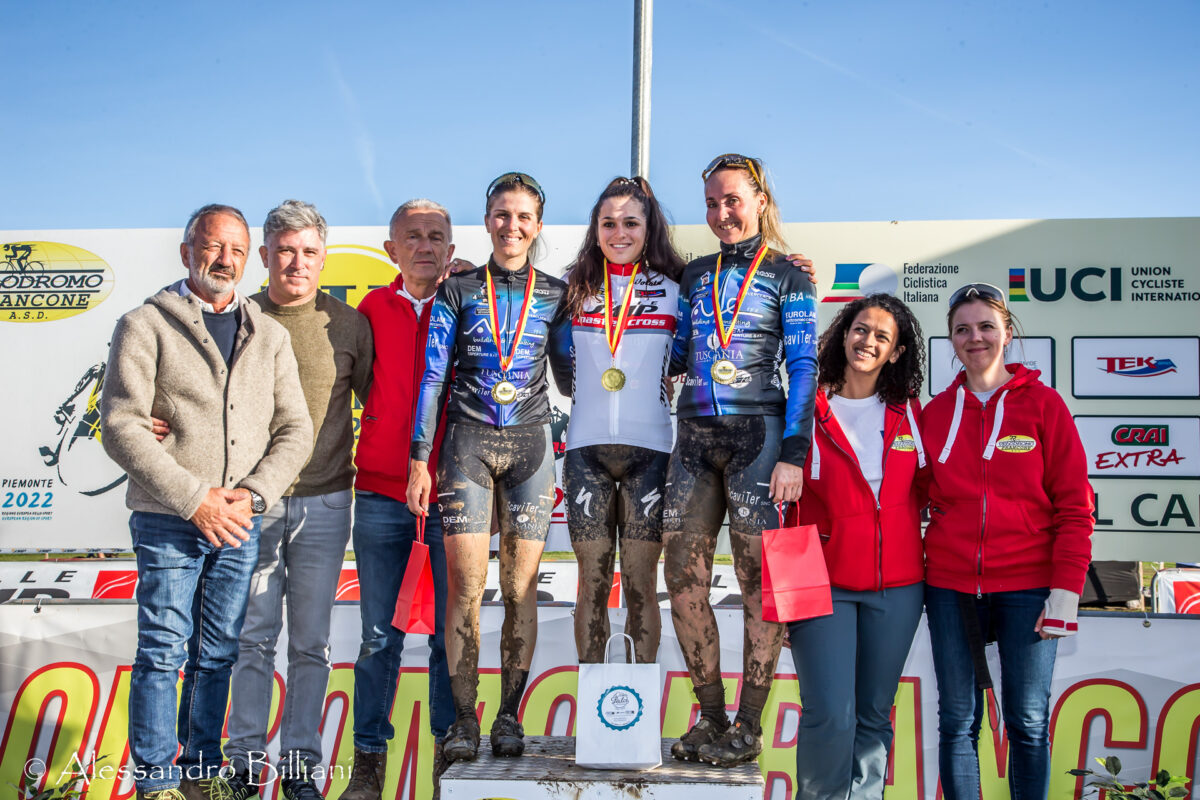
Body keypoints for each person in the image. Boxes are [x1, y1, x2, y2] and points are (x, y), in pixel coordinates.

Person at [99, 204, 313, 800]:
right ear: (187, 251)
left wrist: (250, 495)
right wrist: (196, 500)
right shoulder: (144, 325)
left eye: (237, 251)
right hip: (169, 517)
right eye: (213, 246)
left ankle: (199, 773)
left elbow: (296, 429)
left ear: (250, 259)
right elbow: (121, 426)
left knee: (218, 652)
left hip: (240, 521)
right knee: (164, 649)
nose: (225, 260)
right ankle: (157, 781)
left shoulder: (268, 335)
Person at [407, 172, 572, 763]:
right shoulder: (458, 289)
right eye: (502, 215)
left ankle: (508, 717)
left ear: (538, 225)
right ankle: (465, 720)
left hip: (531, 445)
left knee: (521, 590)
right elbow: (431, 378)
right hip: (467, 444)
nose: (512, 226)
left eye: (524, 216)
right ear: (487, 221)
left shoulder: (556, 294)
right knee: (466, 594)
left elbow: (573, 375)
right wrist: (418, 459)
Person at [213, 200, 372, 800]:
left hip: (327, 504)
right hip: (250, 506)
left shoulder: (350, 325)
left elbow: (381, 406)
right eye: (285, 251)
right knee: (251, 636)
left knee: (312, 642)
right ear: (265, 256)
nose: (296, 263)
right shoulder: (237, 316)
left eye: (308, 252)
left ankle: (303, 763)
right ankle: (245, 763)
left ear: (322, 257)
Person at [664, 154, 819, 767]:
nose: (720, 213)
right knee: (683, 582)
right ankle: (711, 716)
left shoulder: (789, 274)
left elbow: (804, 365)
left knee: (762, 584)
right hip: (694, 437)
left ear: (759, 199)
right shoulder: (693, 274)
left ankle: (750, 724)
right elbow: (674, 347)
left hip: (761, 434)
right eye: (710, 202)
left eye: (731, 200)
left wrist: (795, 451)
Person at [920, 283, 1093, 800]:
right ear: (950, 341)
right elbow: (914, 498)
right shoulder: (934, 414)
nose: (976, 338)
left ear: (1007, 333)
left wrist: (1065, 589)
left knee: (1028, 722)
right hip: (950, 586)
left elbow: (1075, 507)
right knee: (957, 722)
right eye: (963, 330)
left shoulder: (1044, 406)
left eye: (986, 326)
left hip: (1029, 586)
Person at [338, 199, 461, 800]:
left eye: (436, 236)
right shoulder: (370, 309)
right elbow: (351, 386)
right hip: (382, 498)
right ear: (391, 249)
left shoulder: (469, 306)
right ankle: (367, 759)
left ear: (451, 250)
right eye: (411, 236)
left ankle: (447, 756)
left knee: (447, 636)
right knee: (378, 637)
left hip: (454, 499)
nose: (424, 245)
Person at [789, 294, 927, 800]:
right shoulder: (804, 408)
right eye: (860, 329)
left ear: (895, 352)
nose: (868, 341)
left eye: (882, 336)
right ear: (843, 334)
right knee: (830, 712)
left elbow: (937, 490)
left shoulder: (911, 415)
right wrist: (789, 602)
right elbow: (786, 511)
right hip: (821, 584)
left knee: (872, 714)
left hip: (900, 587)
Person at [562, 176, 686, 664]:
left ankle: (637, 721)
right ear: (595, 230)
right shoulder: (573, 288)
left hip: (650, 450)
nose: (619, 233)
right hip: (584, 451)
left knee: (640, 585)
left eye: (630, 222)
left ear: (648, 227)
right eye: (608, 223)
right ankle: (594, 715)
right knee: (590, 583)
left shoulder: (678, 289)